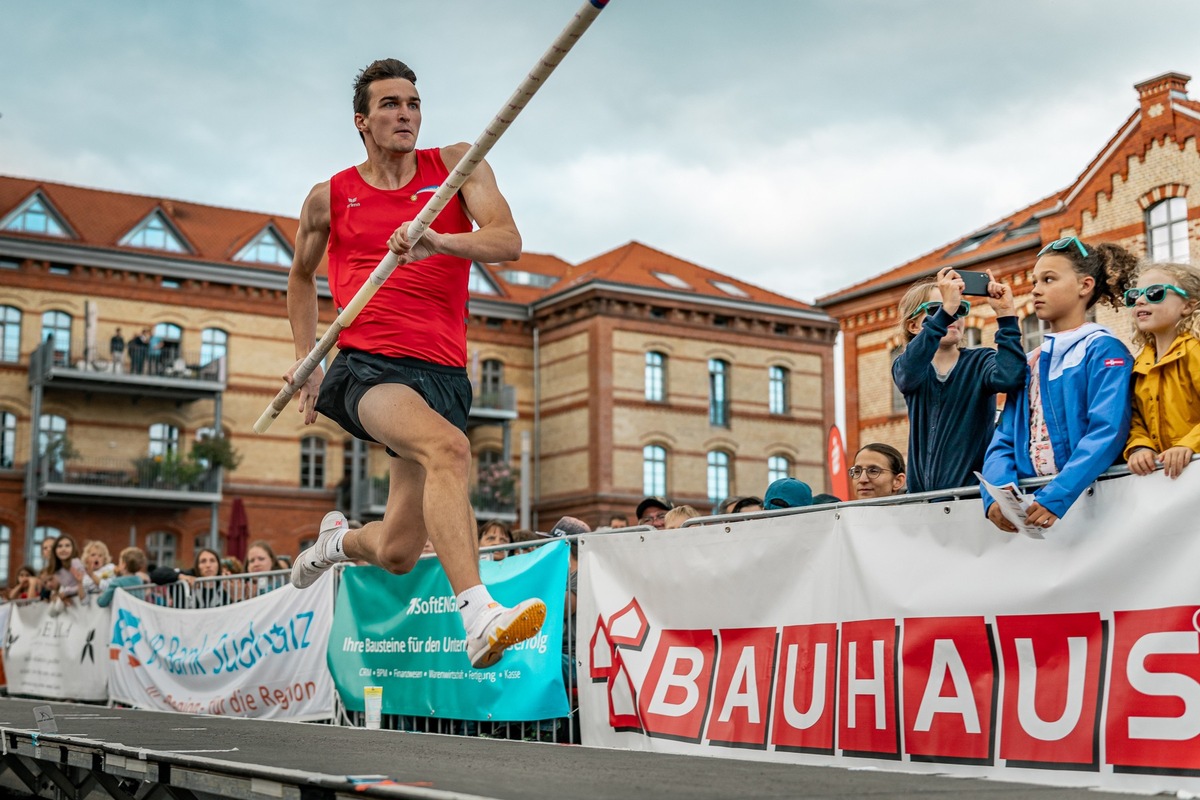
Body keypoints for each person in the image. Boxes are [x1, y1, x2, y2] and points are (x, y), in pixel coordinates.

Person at [284, 58, 543, 670]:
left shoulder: (457, 166)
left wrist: (439, 241)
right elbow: (299, 276)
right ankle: (479, 616)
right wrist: (307, 360)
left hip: (445, 374)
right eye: (390, 105)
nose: (406, 114)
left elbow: (508, 242)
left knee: (399, 550)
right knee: (450, 449)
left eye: (413, 103)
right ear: (362, 121)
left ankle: (337, 542)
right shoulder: (331, 196)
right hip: (369, 366)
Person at [982, 237, 1138, 532]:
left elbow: (1108, 430)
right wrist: (996, 497)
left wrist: (1057, 495)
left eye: (1049, 279)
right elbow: (1003, 438)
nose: (1036, 289)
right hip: (1034, 511)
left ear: (1085, 285)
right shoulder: (1030, 360)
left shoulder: (1104, 349)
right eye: (1034, 281)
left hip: (1094, 509)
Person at [893, 267, 1026, 493]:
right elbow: (908, 373)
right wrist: (946, 311)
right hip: (921, 501)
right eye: (936, 308)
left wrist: (1006, 315)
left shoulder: (981, 360)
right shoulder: (908, 365)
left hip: (970, 499)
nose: (953, 315)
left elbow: (1011, 378)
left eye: (959, 309)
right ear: (913, 326)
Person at [1122, 263, 1200, 480]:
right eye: (1134, 295)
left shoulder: (1195, 351)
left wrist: (1189, 445)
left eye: (1154, 293)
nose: (1139, 300)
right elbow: (1135, 418)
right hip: (1170, 483)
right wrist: (1140, 447)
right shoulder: (1140, 364)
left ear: (1188, 305)